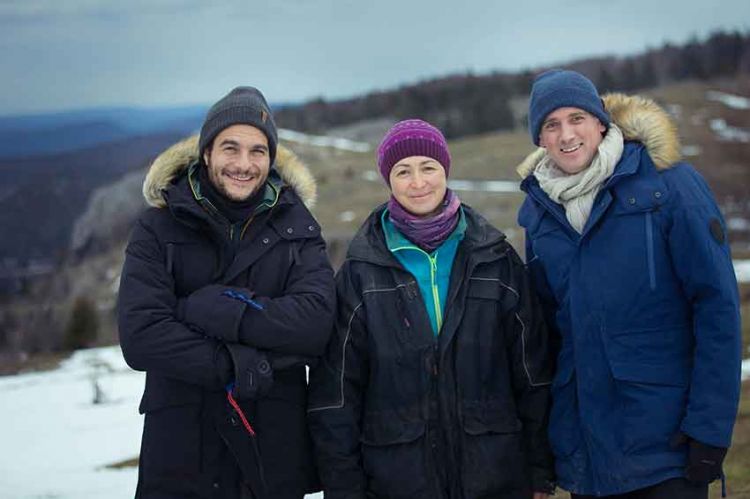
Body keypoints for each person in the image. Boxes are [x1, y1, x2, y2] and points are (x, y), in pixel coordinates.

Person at [516, 69, 742, 498]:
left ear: (601, 122)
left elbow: (716, 308)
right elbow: (548, 337)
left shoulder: (670, 186)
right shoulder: (537, 215)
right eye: (551, 124)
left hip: (669, 446)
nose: (567, 135)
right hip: (589, 456)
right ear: (539, 140)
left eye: (577, 118)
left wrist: (709, 427)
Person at [308, 119, 555, 499]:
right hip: (397, 482)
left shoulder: (494, 257)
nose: (418, 182)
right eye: (403, 171)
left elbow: (532, 372)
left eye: (428, 167)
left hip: (496, 477)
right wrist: (344, 488)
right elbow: (337, 394)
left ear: (446, 171)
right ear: (388, 180)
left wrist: (539, 471)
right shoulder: (361, 270)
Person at [118, 86, 335, 499]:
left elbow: (316, 323)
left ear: (271, 159)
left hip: (271, 450)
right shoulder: (159, 226)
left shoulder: (298, 226)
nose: (243, 164)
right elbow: (142, 335)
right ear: (206, 153)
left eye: (258, 151)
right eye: (230, 148)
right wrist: (238, 365)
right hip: (182, 450)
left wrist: (221, 313)